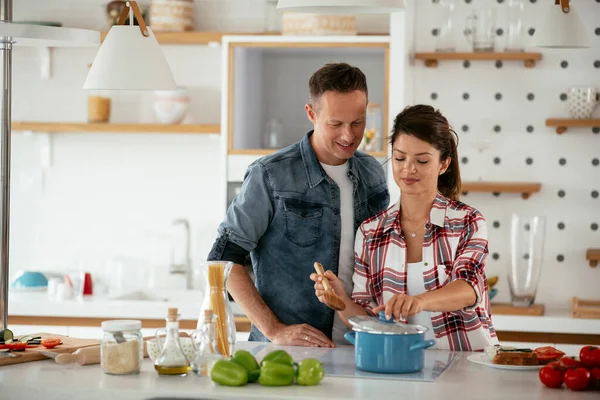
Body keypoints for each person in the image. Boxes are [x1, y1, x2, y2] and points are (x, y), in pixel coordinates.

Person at [207, 63, 390, 347]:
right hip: (287, 351)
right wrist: (275, 329)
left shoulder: (373, 174)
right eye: (335, 124)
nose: (348, 135)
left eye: (357, 122)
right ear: (311, 114)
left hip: (361, 346)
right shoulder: (269, 175)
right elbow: (223, 260)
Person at [311, 104, 499, 351]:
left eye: (422, 160)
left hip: (467, 364)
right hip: (401, 365)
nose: (408, 169)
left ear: (443, 165)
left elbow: (468, 288)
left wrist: (418, 302)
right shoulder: (370, 232)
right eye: (400, 158)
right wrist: (341, 299)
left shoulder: (467, 221)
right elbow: (367, 319)